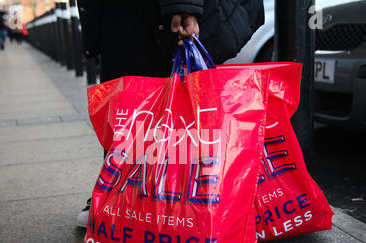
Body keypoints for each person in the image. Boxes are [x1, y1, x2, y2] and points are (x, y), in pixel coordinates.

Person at [76, 0, 265, 227]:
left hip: (157, 13)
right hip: (125, 16)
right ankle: (130, 198)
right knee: (130, 106)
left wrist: (184, 7)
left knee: (146, 101)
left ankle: (159, 202)